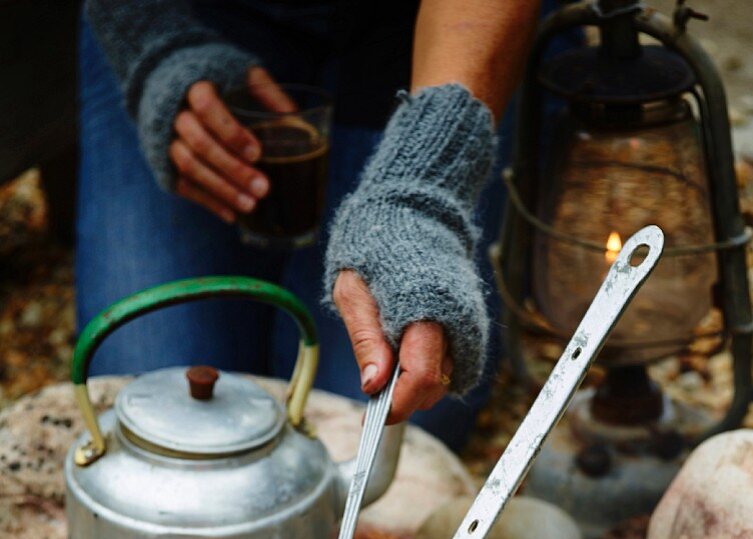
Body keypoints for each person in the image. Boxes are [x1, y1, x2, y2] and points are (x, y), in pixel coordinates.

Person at [79, 0, 542, 448]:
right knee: (141, 397)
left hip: (418, 37)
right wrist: (154, 44)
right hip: (196, 13)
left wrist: (422, 183)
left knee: (406, 405)